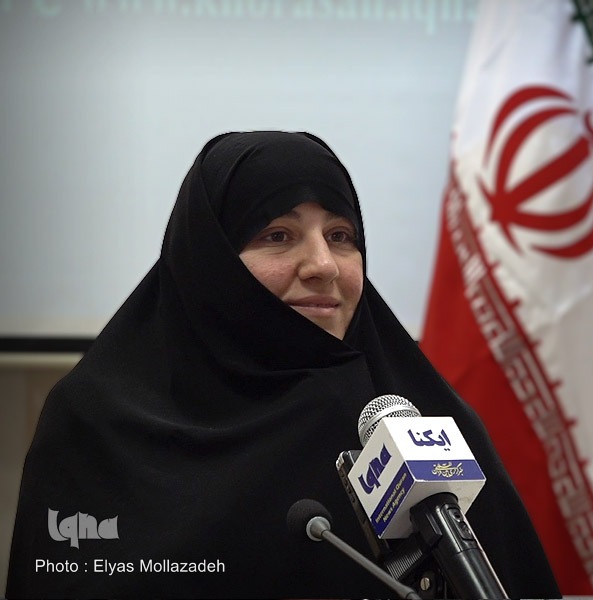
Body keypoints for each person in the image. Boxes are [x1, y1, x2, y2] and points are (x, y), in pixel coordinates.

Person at [4, 131, 560, 599]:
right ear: (210, 259)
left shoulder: (415, 419)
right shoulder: (100, 424)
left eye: (340, 236)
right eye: (278, 235)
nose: (323, 265)